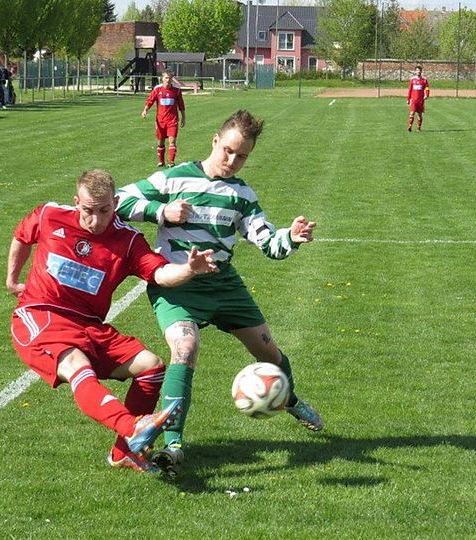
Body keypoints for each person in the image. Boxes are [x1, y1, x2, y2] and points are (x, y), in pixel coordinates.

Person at [116, 109, 324, 478]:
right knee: (185, 347)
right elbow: (118, 202)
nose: (232, 160)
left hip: (224, 284)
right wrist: (161, 211)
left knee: (268, 351)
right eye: (228, 150)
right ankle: (174, 443)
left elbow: (267, 243)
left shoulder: (242, 195)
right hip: (178, 284)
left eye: (241, 155)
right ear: (215, 141)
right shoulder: (173, 178)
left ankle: (288, 398)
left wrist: (290, 237)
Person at [7, 169, 220, 473]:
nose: (95, 220)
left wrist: (189, 269)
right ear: (76, 202)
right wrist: (12, 280)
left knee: (151, 367)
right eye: (87, 211)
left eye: (104, 210)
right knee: (76, 364)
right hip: (43, 314)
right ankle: (133, 429)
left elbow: (159, 273)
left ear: (116, 202)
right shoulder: (50, 215)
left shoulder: (128, 241)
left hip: (90, 325)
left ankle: (124, 453)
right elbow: (22, 235)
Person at [141, 70, 186, 167]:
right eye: (166, 78)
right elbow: (150, 101)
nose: (168, 80)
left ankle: (171, 162)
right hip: (160, 121)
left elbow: (181, 105)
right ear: (162, 78)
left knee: (172, 141)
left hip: (172, 121)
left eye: (170, 78)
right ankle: (161, 161)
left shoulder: (177, 91)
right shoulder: (157, 90)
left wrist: (183, 117)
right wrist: (145, 110)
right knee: (160, 141)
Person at [406, 65, 430, 132]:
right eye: (417, 70)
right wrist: (408, 99)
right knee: (412, 113)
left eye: (419, 71)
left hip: (420, 100)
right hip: (413, 100)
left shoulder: (424, 80)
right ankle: (410, 126)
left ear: (421, 71)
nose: (418, 72)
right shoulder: (412, 80)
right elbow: (410, 90)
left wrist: (427, 95)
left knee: (419, 114)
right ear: (415, 71)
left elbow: (427, 88)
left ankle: (419, 128)